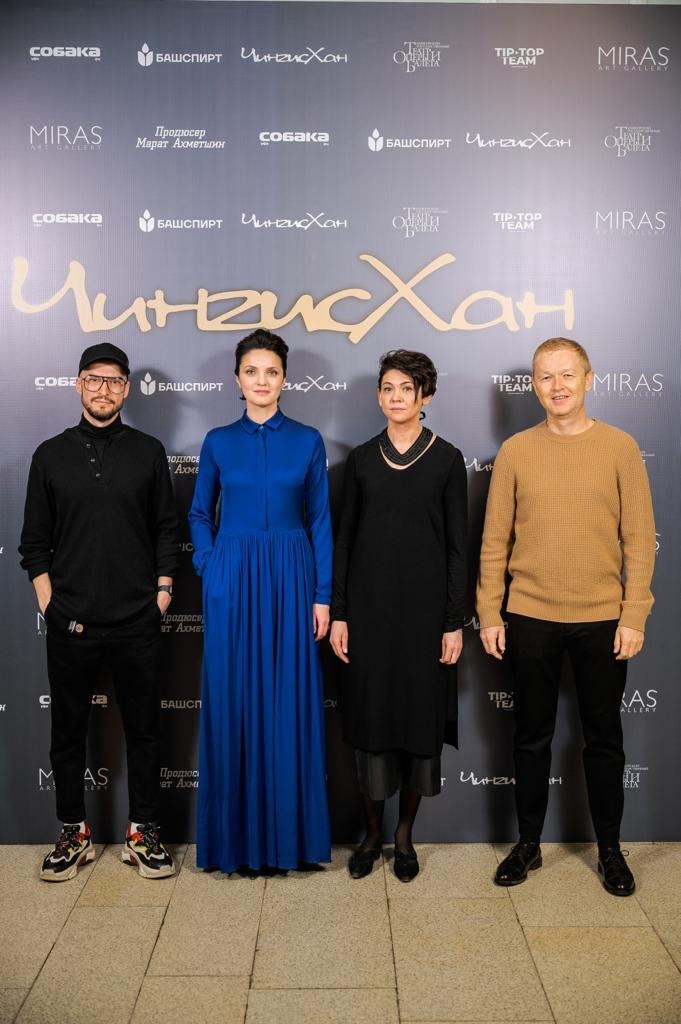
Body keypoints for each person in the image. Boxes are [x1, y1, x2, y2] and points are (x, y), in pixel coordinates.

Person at [477, 337, 655, 896]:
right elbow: (494, 541)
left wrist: (634, 614)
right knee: (531, 737)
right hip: (529, 615)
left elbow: (639, 540)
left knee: (604, 739)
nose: (557, 386)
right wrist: (489, 612)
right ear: (534, 386)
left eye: (567, 375)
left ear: (589, 379)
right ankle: (527, 844)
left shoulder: (620, 447)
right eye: (546, 377)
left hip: (602, 617)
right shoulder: (515, 451)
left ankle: (611, 850)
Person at [20, 342, 179, 881]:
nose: (103, 389)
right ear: (78, 385)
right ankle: (73, 833)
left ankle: (143, 833)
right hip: (71, 622)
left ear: (126, 389)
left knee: (146, 732)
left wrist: (162, 592)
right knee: (67, 734)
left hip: (138, 620)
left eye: (113, 380)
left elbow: (166, 529)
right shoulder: (50, 454)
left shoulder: (148, 451)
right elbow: (34, 542)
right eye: (93, 379)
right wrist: (50, 601)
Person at [188, 329, 332, 874]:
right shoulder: (218, 441)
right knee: (234, 701)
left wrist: (322, 596)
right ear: (237, 379)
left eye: (271, 371)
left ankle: (290, 842)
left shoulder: (309, 440)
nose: (262, 380)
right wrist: (210, 564)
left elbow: (320, 521)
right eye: (252, 371)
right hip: (232, 579)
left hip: (293, 578)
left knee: (288, 703)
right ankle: (235, 844)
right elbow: (199, 512)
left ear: (285, 379)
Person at [330, 350, 467, 882]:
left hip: (426, 621)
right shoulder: (363, 459)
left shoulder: (447, 459)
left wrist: (452, 622)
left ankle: (404, 837)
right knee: (371, 726)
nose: (395, 397)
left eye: (406, 388)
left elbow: (457, 548)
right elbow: (344, 542)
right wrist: (340, 614)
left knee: (417, 726)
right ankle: (371, 836)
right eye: (387, 387)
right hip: (367, 618)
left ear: (424, 396)